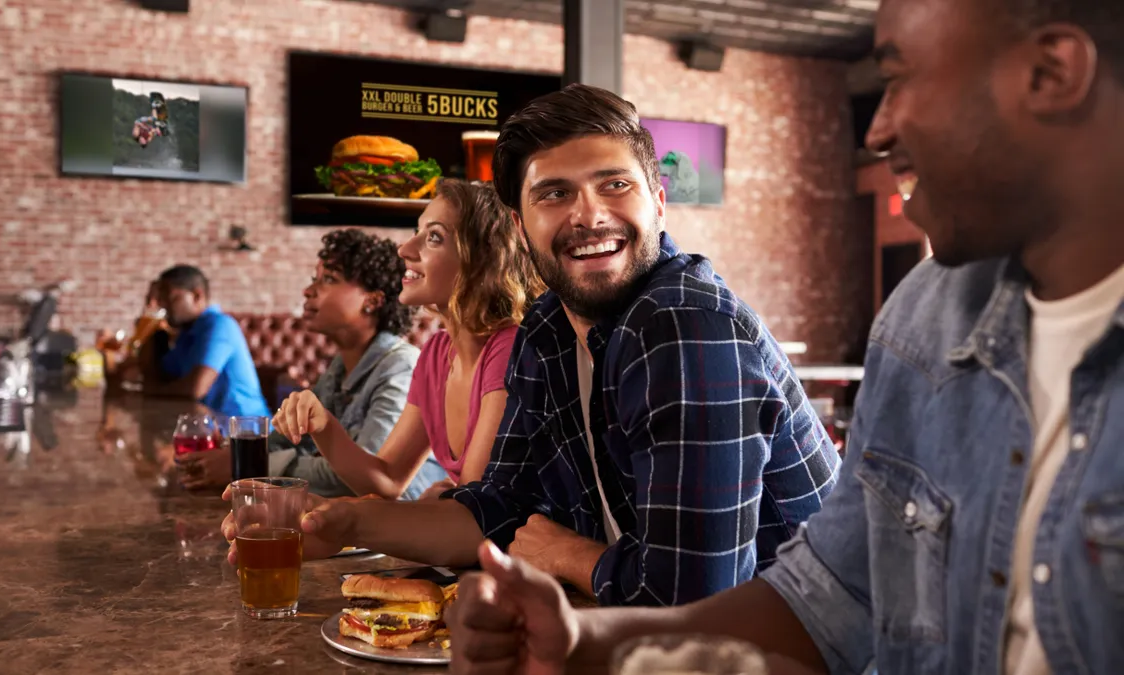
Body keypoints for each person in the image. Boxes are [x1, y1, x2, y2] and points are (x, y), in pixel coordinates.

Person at [444, 0, 1124, 671]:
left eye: (898, 78)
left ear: (1051, 75)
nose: (879, 130)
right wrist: (579, 641)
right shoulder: (924, 313)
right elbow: (827, 598)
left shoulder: (683, 319)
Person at [225, 85, 838, 607]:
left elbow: (696, 597)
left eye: (615, 184)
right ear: (520, 225)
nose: (589, 215)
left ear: (658, 200)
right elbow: (502, 509)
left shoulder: (682, 324)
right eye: (554, 194)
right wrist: (351, 522)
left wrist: (572, 556)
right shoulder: (547, 329)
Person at [273, 180, 542, 499]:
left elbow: (476, 512)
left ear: (483, 262)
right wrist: (324, 427)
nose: (405, 249)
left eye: (433, 237)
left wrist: (440, 502)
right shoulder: (437, 354)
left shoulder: (508, 349)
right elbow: (386, 480)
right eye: (418, 231)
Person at [178, 229, 447, 499]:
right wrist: (234, 456)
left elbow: (360, 480)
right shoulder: (342, 364)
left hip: (399, 525)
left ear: (372, 301)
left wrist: (248, 466)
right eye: (314, 280)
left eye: (328, 279)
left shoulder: (401, 367)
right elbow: (294, 438)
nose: (308, 291)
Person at [140, 264, 269, 418]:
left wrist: (152, 390)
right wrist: (149, 314)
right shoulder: (186, 334)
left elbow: (195, 389)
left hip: (248, 431)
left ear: (197, 296)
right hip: (210, 426)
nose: (162, 304)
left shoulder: (219, 325)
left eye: (169, 296)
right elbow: (154, 375)